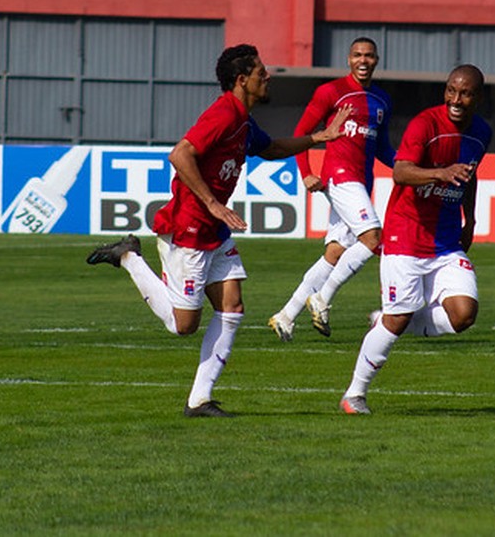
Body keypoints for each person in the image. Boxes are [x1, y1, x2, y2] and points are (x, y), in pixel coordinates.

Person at [86, 44, 349, 418]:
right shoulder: (224, 112)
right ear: (242, 80)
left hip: (214, 232)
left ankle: (199, 401)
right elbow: (180, 154)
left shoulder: (243, 119)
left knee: (232, 305)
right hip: (190, 228)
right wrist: (212, 204)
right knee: (184, 326)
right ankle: (128, 256)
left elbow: (270, 147)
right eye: (261, 72)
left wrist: (318, 138)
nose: (267, 76)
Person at [339, 64, 492, 415]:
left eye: (465, 93)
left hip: (446, 239)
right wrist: (441, 172)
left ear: (477, 97)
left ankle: (391, 319)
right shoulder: (425, 124)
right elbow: (401, 171)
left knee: (464, 315)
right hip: (405, 233)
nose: (456, 99)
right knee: (398, 320)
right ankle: (355, 394)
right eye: (451, 90)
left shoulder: (482, 132)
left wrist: (471, 220)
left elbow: (471, 175)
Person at [268, 37, 396, 341]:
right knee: (373, 238)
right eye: (357, 55)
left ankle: (286, 316)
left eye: (369, 56)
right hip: (339, 175)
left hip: (361, 181)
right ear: (348, 60)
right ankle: (323, 298)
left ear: (376, 60)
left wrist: (411, 167)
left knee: (336, 253)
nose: (363, 61)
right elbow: (302, 133)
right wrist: (306, 173)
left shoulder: (382, 101)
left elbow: (384, 148)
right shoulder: (331, 92)